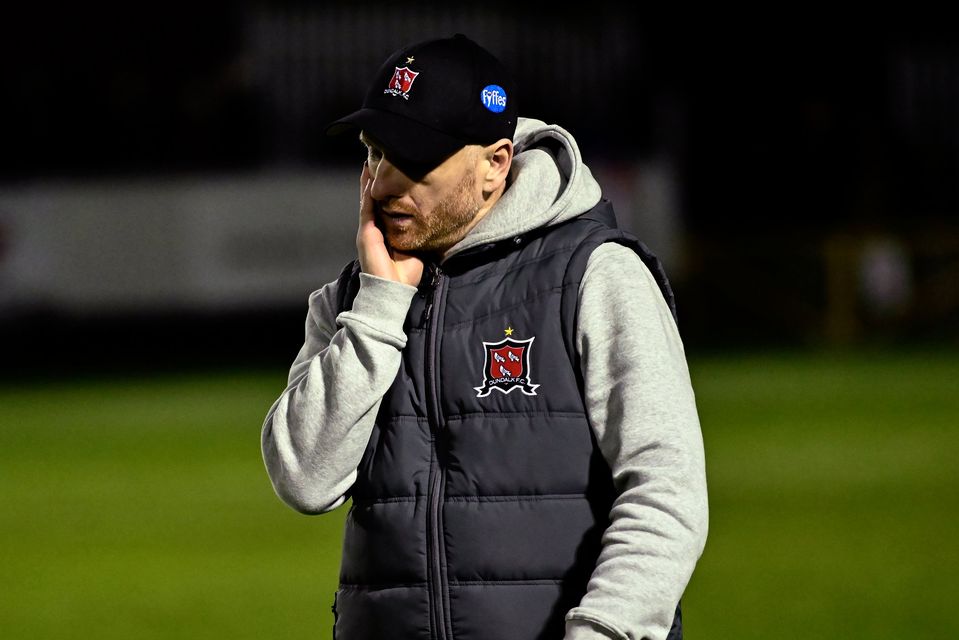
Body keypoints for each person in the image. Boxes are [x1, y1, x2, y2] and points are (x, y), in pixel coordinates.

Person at [261, 33, 708, 640]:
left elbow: (666, 491)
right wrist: (380, 308)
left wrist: (605, 630)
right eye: (373, 152)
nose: (383, 182)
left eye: (413, 160)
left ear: (495, 164)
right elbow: (305, 480)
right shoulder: (352, 302)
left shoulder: (595, 276)